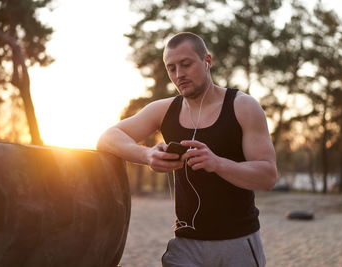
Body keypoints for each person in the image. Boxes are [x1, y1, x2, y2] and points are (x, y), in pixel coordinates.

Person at [97, 32, 277, 267]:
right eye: (171, 68)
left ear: (207, 61)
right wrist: (147, 155)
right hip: (186, 246)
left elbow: (268, 176)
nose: (179, 74)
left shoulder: (243, 106)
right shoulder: (163, 110)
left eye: (186, 64)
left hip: (238, 242)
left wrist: (217, 163)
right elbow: (107, 137)